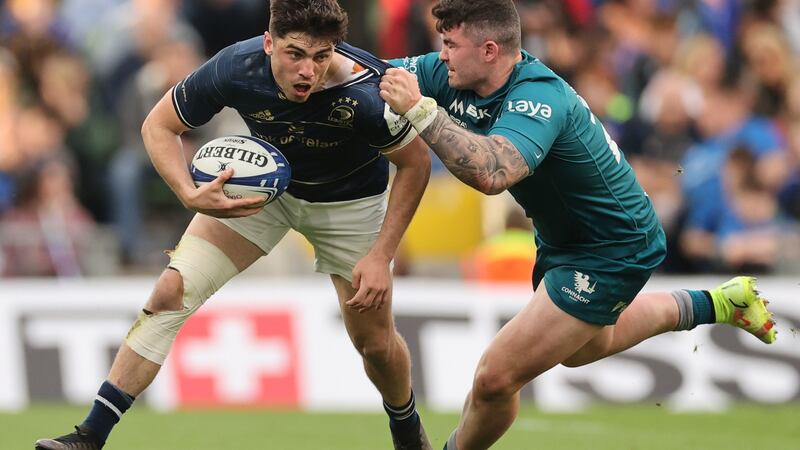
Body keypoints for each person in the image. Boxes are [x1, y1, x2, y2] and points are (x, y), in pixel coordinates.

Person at [378, 1, 778, 449]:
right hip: (563, 239)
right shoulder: (451, 72)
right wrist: (303, 59)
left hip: (614, 246)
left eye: (450, 44)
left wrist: (423, 113)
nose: (441, 54)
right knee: (581, 349)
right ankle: (720, 303)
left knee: (497, 376)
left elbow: (494, 173)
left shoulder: (538, 97)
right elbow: (366, 75)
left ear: (489, 50)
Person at [35, 1, 433, 449]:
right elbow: (159, 125)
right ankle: (90, 436)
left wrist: (381, 255)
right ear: (268, 42)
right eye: (295, 54)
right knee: (170, 292)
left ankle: (406, 429)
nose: (308, 71)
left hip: (350, 205)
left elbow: (415, 165)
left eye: (321, 57)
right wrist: (187, 191)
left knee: (374, 344)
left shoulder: (366, 92)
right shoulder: (235, 66)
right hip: (265, 194)